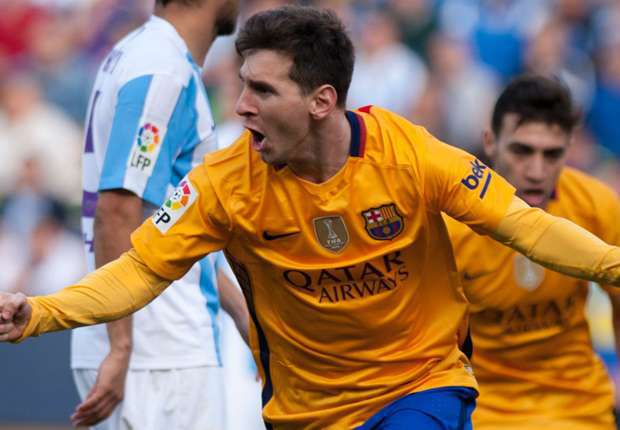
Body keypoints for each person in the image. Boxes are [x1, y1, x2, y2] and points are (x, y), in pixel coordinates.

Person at [3, 6, 620, 429]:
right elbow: (139, 270)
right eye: (243, 85)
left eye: (263, 91)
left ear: (322, 101)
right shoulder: (224, 184)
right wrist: (41, 312)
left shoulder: (409, 155)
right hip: (306, 410)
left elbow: (528, 226)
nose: (240, 107)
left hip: (419, 385)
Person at [69, 0, 248, 428]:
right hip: (157, 352)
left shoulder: (148, 56)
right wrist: (122, 345)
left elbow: (170, 220)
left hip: (158, 345)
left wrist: (241, 313)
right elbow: (116, 209)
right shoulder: (161, 71)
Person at [444, 75, 620, 430]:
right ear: (490, 143)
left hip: (579, 407)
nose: (537, 171)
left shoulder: (596, 205)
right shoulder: (449, 223)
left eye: (552, 154)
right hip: (483, 410)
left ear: (570, 147)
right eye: (522, 151)